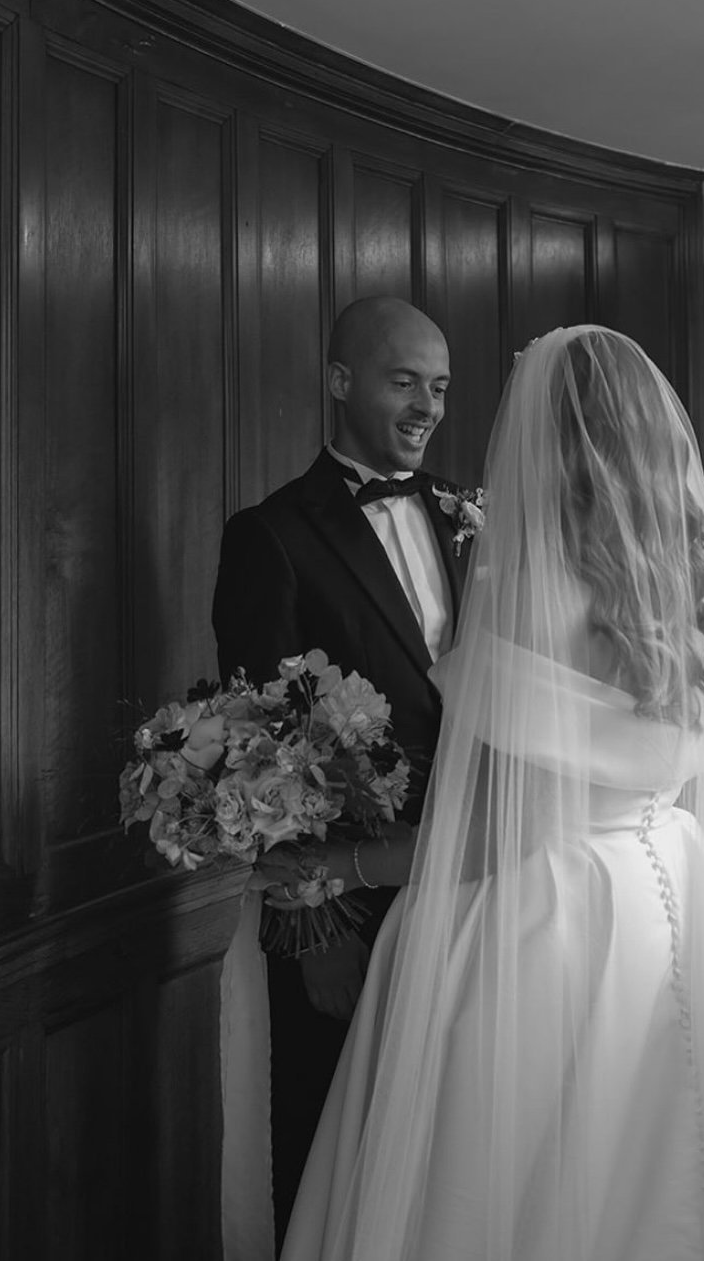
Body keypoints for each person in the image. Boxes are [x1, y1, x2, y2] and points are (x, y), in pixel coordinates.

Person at [257, 326, 704, 1260]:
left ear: (551, 442)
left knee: (522, 1182)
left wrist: (333, 864)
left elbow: (493, 833)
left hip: (549, 921)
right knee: (669, 1159)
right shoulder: (685, 589)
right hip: (673, 896)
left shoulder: (532, 598)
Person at [212, 296, 470, 1246]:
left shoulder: (470, 514)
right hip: (344, 898)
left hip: (472, 878)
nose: (426, 405)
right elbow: (256, 744)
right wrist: (309, 923)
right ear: (340, 382)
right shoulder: (270, 534)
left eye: (439, 386)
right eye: (404, 381)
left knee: (445, 1132)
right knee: (327, 1128)